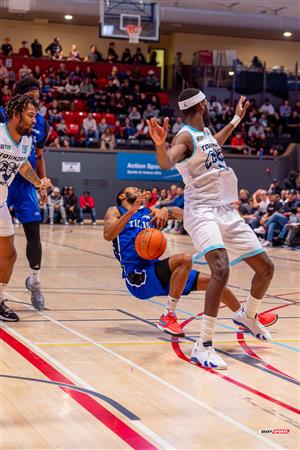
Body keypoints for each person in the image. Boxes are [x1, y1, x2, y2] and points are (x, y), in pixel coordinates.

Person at [147, 88, 274, 369]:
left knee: (266, 267)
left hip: (225, 210)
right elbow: (168, 161)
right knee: (220, 268)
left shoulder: (204, 136)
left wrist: (237, 119)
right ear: (203, 104)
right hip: (201, 211)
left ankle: (247, 316)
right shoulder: (184, 136)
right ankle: (203, 345)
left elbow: (215, 142)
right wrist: (159, 145)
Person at [103, 187, 277, 341]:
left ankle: (247, 317)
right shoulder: (115, 210)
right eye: (133, 189)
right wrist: (132, 211)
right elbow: (109, 234)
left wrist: (165, 209)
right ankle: (168, 316)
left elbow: (181, 214)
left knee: (215, 282)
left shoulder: (148, 212)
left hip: (153, 270)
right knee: (185, 259)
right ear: (122, 196)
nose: (138, 190)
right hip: (138, 277)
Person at [0, 95, 51, 321]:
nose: (34, 121)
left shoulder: (27, 141)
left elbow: (23, 166)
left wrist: (39, 183)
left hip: (0, 203)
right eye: (31, 115)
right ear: (15, 114)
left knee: (9, 256)